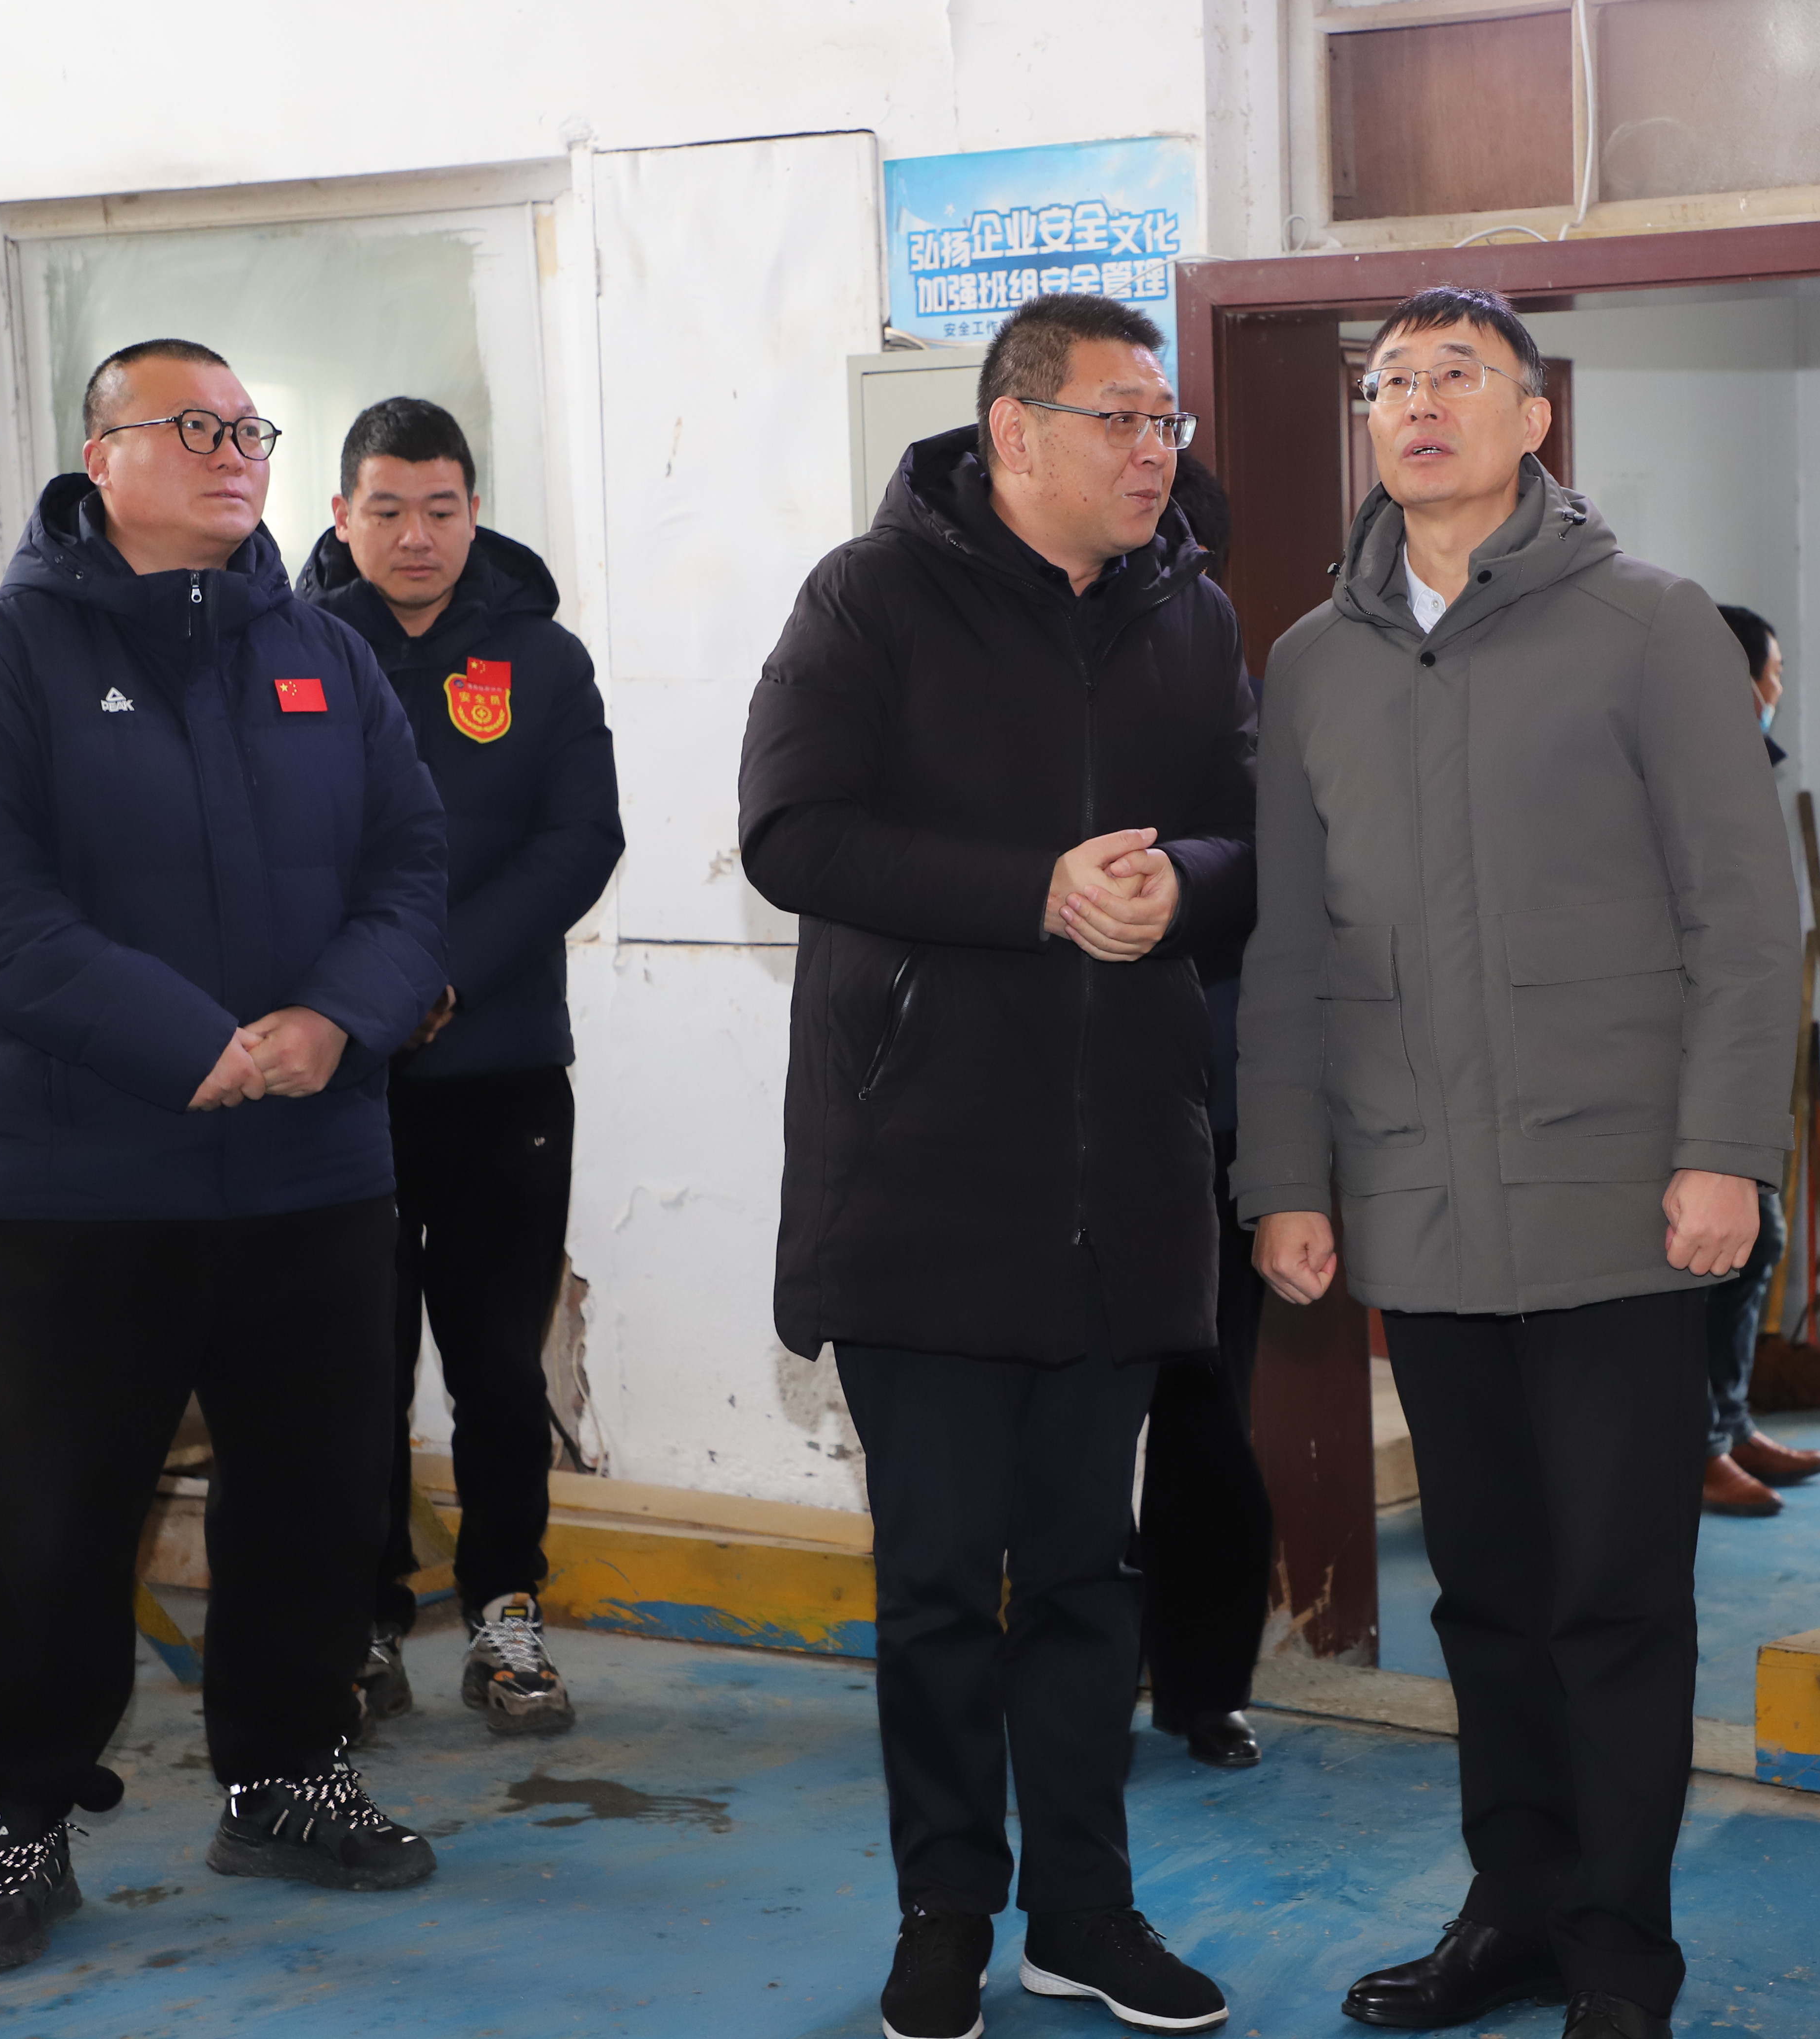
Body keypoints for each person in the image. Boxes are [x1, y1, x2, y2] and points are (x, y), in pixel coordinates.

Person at [1238, 285, 1800, 2039]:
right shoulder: (1313, 662)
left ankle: (1621, 1952)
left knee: (1614, 1600)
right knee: (1484, 1598)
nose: (1417, 403)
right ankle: (1518, 1911)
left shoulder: (1650, 627)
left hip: (1619, 1199)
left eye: (1458, 375)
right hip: (1417, 1200)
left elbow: (1744, 915)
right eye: (1391, 379)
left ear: (1534, 417)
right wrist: (1288, 1178)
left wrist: (1725, 1153)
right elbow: (1288, 949)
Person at [739, 293, 1254, 2039]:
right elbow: (791, 832)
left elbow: (1257, 836)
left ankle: (1084, 1914)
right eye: (1122, 418)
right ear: (1014, 432)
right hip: (924, 1176)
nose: (1155, 449)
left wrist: (1184, 881)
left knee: (1091, 1581)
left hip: (1125, 1178)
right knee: (944, 1587)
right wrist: (1033, 893)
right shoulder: (868, 598)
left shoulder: (1191, 612)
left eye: (1166, 420)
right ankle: (946, 1912)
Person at [0, 338, 451, 1973]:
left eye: (250, 429)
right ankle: (19, 1817)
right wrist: (185, 1042)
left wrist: (335, 1020)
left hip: (314, 1163)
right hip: (93, 1175)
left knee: (313, 1499)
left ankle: (285, 1776)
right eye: (194, 427)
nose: (235, 453)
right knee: (53, 1522)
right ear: (102, 456)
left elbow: (410, 865)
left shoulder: (323, 652)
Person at [296, 396, 624, 1740]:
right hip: (337, 1077)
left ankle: (505, 1612)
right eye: (386, 510)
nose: (415, 536)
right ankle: (363, 1621)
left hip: (500, 1064)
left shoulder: (541, 659)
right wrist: (367, 993)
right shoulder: (287, 655)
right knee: (351, 1366)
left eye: (439, 509)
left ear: (474, 512)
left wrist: (440, 975)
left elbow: (580, 841)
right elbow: (273, 848)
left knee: (498, 1364)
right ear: (340, 517)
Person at [1130, 452, 1277, 1773]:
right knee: (1058, 1428)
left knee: (1205, 1410)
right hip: (1049, 1120)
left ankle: (1203, 1683)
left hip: (1215, 1120)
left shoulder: (1243, 708)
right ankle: (1079, 1668)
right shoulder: (1016, 684)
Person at [1697, 602, 1820, 1518]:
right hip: (1696, 1045)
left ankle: (1731, 1420)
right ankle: (1698, 1443)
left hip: (1747, 1039)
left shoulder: (1746, 763)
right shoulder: (1690, 763)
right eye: (1775, 672)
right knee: (1715, 1254)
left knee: (1763, 1238)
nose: (1779, 688)